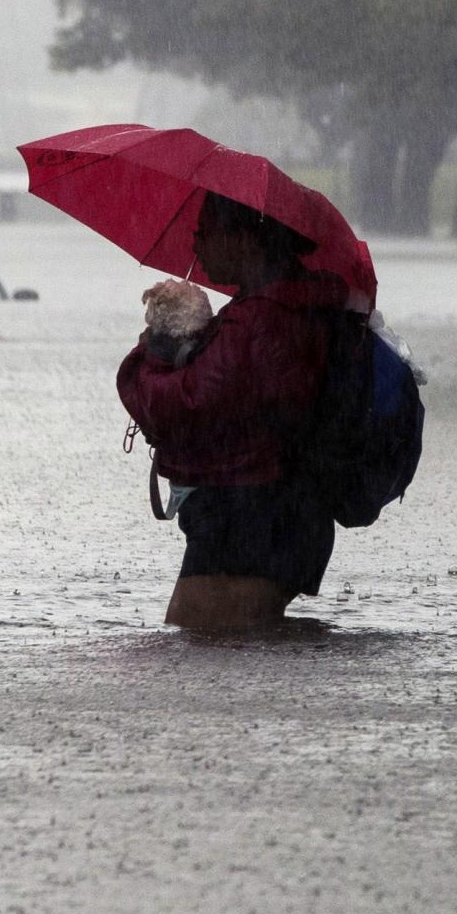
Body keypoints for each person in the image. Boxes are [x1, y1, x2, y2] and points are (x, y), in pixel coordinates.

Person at [117, 191, 347, 635]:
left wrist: (147, 356)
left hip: (249, 518)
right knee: (239, 646)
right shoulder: (288, 307)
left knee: (202, 646)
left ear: (243, 240)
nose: (197, 248)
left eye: (205, 234)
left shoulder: (260, 321)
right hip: (280, 512)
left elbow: (186, 405)